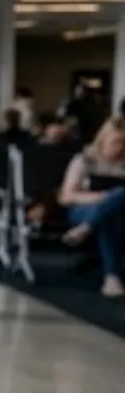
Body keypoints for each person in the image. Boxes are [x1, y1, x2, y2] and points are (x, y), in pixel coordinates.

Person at [59, 116, 125, 299]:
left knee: (117, 201)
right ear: (103, 138)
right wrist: (103, 198)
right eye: (116, 142)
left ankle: (87, 228)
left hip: (116, 215)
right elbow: (66, 196)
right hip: (82, 210)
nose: (120, 148)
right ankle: (112, 277)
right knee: (113, 206)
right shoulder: (85, 160)